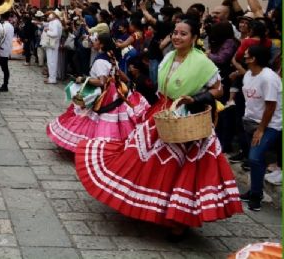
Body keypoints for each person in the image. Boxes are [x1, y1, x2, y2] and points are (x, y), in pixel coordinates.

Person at [75, 17, 243, 241]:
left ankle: (178, 221)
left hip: (187, 121)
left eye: (183, 34)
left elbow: (219, 90)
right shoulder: (169, 57)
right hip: (162, 113)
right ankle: (148, 206)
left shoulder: (203, 63)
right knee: (144, 160)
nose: (177, 37)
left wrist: (193, 98)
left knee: (181, 169)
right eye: (175, 32)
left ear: (194, 38)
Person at [46, 32, 149, 152]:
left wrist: (84, 79)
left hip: (104, 95)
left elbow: (102, 82)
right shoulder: (110, 56)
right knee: (112, 120)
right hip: (115, 92)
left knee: (93, 119)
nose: (93, 42)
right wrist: (127, 81)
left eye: (95, 40)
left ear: (101, 44)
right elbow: (119, 74)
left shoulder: (100, 61)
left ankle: (93, 145)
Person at [238, 45, 281, 211]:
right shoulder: (249, 74)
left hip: (269, 124)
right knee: (256, 159)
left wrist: (261, 129)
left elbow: (270, 106)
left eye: (247, 54)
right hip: (251, 122)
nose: (244, 55)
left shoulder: (268, 78)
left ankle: (256, 196)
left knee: (255, 158)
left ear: (253, 58)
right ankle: (254, 191)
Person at [43, 10, 63, 84]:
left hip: (52, 44)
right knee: (52, 61)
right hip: (54, 43)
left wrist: (47, 31)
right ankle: (52, 77)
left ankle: (52, 78)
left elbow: (55, 34)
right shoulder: (57, 22)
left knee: (51, 62)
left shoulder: (55, 22)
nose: (50, 15)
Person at [0, 12, 15, 92]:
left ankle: (5, 85)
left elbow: (2, 37)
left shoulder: (5, 26)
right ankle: (4, 84)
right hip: (6, 48)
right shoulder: (10, 25)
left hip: (2, 49)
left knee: (4, 68)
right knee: (4, 68)